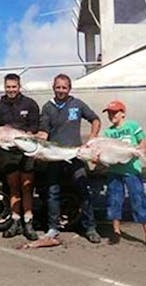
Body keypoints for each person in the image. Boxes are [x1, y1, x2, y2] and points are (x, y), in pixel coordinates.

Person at [38, 74, 101, 243]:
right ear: (53, 88)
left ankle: (90, 227)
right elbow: (43, 132)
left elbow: (95, 119)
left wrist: (92, 138)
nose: (61, 90)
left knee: (83, 190)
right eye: (58, 87)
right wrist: (38, 147)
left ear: (69, 88)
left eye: (64, 87)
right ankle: (52, 228)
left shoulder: (77, 104)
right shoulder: (47, 107)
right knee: (52, 192)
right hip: (54, 156)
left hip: (76, 154)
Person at [100, 100, 146, 251]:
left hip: (132, 171)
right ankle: (115, 232)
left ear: (123, 113)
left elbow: (143, 144)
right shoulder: (107, 133)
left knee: (139, 200)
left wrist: (139, 151)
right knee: (114, 200)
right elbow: (106, 153)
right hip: (115, 171)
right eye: (109, 112)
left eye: (114, 112)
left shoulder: (132, 126)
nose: (111, 115)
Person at [0, 73, 39, 240]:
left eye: (14, 87)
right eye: (8, 87)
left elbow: (34, 128)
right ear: (5, 87)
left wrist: (27, 136)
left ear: (19, 87)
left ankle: (28, 222)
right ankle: (15, 222)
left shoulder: (30, 104)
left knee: (27, 187)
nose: (11, 90)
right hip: (8, 153)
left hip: (26, 152)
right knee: (13, 188)